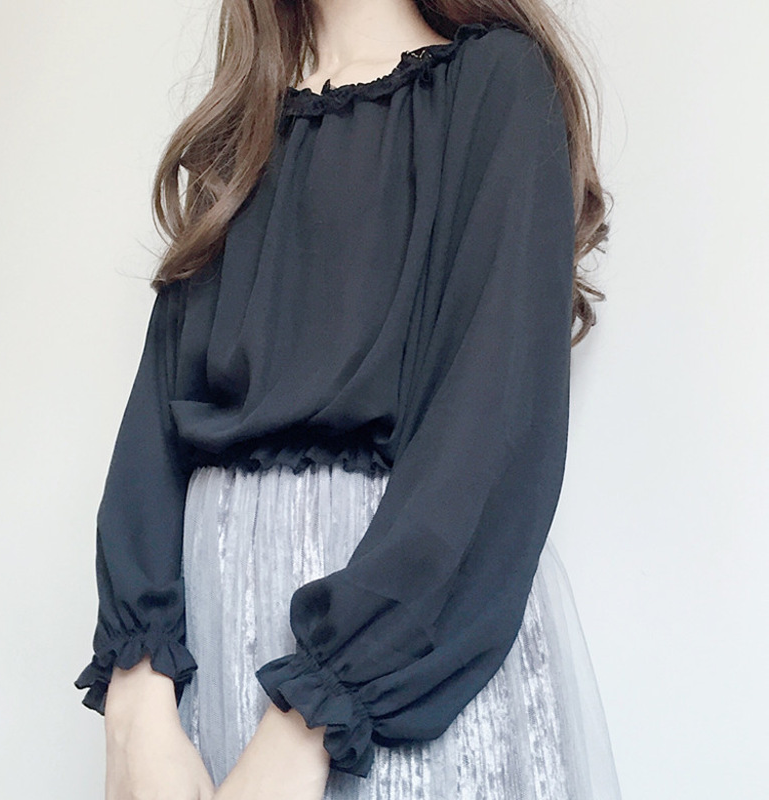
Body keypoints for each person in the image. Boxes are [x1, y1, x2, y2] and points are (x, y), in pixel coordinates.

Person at [74, 1, 621, 798]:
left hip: (395, 650)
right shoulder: (241, 125)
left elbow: (490, 426)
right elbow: (158, 419)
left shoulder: (496, 81)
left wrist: (319, 710)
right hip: (216, 637)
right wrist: (136, 693)